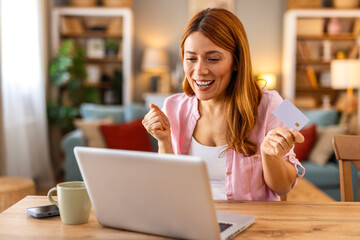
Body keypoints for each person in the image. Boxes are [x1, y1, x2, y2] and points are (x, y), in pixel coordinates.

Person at [142, 8, 305, 201]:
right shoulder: (172, 106)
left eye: (213, 59)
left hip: (252, 224)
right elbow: (169, 186)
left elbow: (283, 189)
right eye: (191, 58)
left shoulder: (273, 103)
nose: (199, 71)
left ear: (236, 61)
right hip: (190, 218)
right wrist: (163, 142)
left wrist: (271, 156)